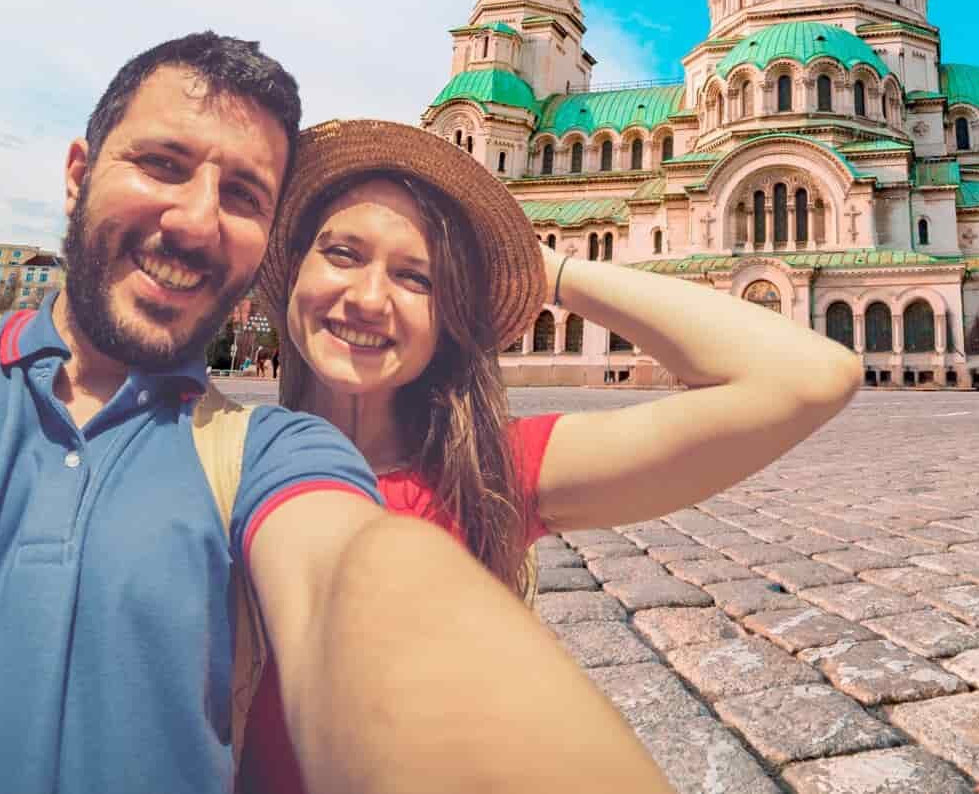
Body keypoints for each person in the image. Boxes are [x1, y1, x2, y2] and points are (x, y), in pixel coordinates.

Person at [0, 34, 668, 794]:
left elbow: (356, 582)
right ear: (79, 171)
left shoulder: (272, 449)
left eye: (242, 194)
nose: (195, 219)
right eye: (163, 164)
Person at [241, 118, 865, 794]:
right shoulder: (209, 448)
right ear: (293, 268)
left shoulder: (492, 471)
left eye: (416, 278)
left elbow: (811, 376)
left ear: (453, 315)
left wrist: (549, 270)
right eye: (341, 252)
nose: (368, 298)